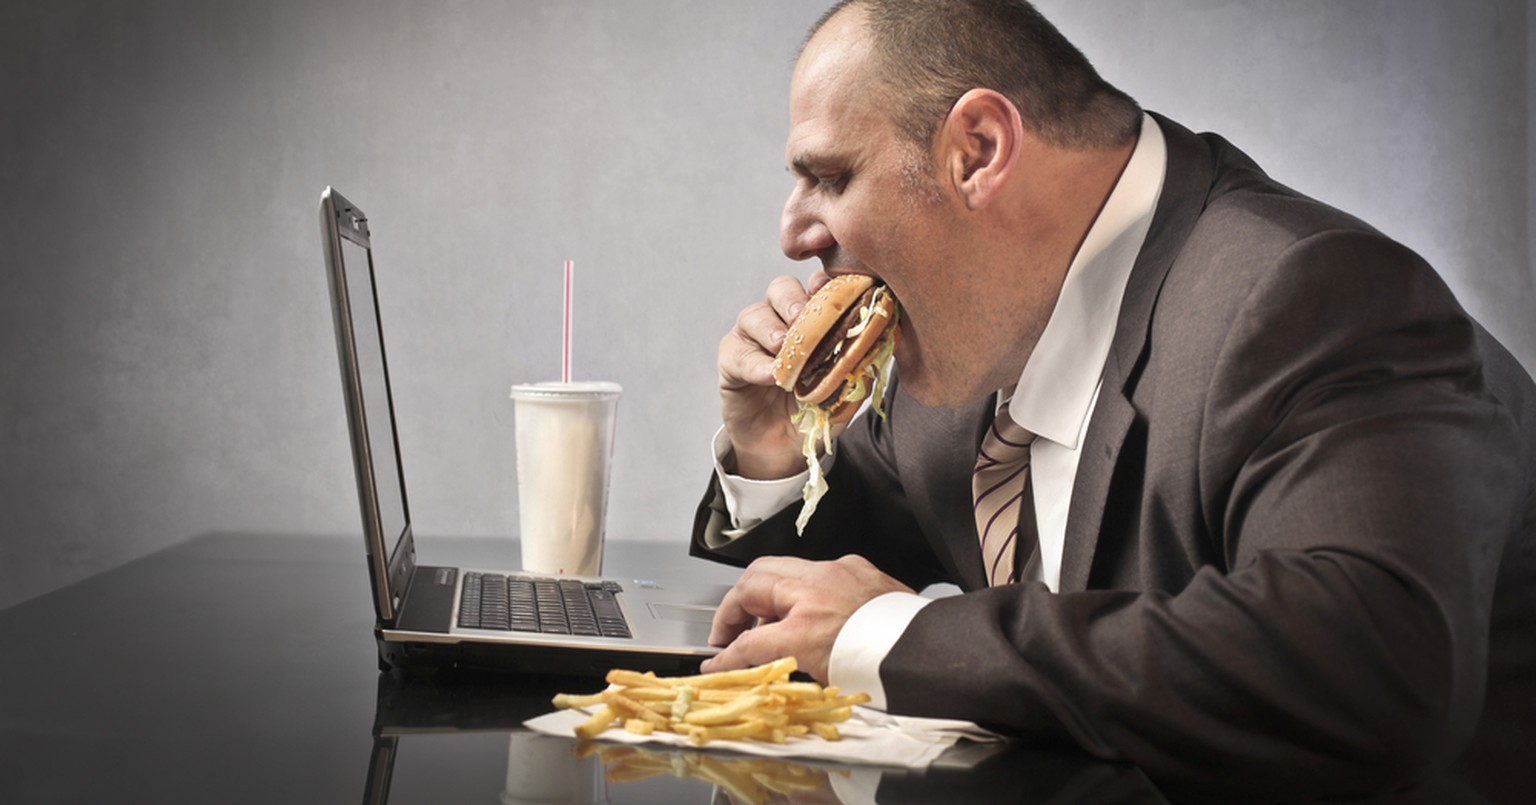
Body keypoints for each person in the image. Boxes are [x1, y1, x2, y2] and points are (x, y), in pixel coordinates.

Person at [687, 0, 1536, 800]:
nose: (795, 232)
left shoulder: (1310, 298)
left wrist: (892, 635)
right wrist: (774, 448)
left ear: (978, 149)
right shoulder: (968, 324)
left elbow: (1370, 669)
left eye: (830, 177)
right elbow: (840, 572)